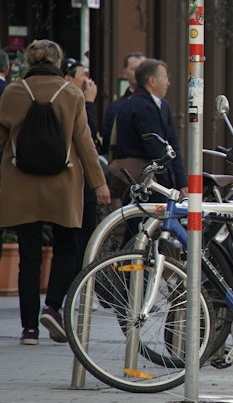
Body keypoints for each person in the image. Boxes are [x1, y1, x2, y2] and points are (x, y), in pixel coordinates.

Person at [0, 39, 111, 345]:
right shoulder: (72, 94)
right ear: (58, 62)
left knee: (28, 256)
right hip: (63, 182)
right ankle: (52, 307)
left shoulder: (13, 92)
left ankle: (29, 330)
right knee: (66, 247)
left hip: (21, 182)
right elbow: (84, 142)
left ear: (29, 61)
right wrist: (98, 183)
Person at [110, 58, 188, 205]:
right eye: (165, 78)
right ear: (152, 81)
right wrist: (168, 184)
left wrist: (181, 181)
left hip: (152, 181)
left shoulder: (162, 105)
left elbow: (173, 143)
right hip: (144, 182)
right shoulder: (140, 107)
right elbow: (156, 148)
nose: (168, 83)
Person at [62, 57, 102, 274]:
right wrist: (89, 102)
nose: (87, 83)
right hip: (76, 181)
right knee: (79, 239)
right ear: (69, 79)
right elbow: (88, 135)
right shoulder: (72, 101)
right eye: (82, 78)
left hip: (76, 182)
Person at [101, 51, 145, 156]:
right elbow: (108, 144)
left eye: (143, 69)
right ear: (125, 73)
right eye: (134, 69)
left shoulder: (160, 103)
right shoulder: (116, 107)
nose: (139, 73)